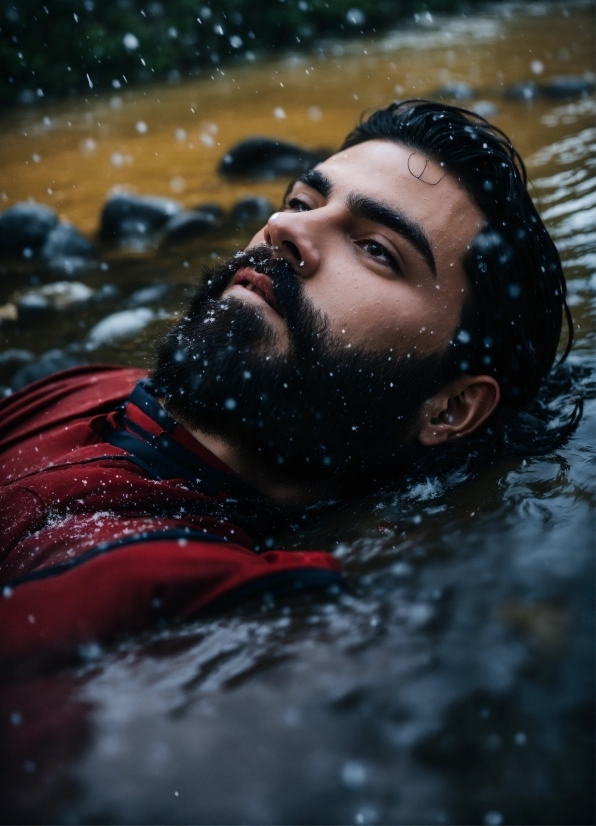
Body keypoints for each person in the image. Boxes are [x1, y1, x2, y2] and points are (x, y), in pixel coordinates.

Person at [0, 100, 577, 662]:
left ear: (449, 408)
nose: (284, 227)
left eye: (376, 248)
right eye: (302, 200)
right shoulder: (87, 385)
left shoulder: (220, 616)